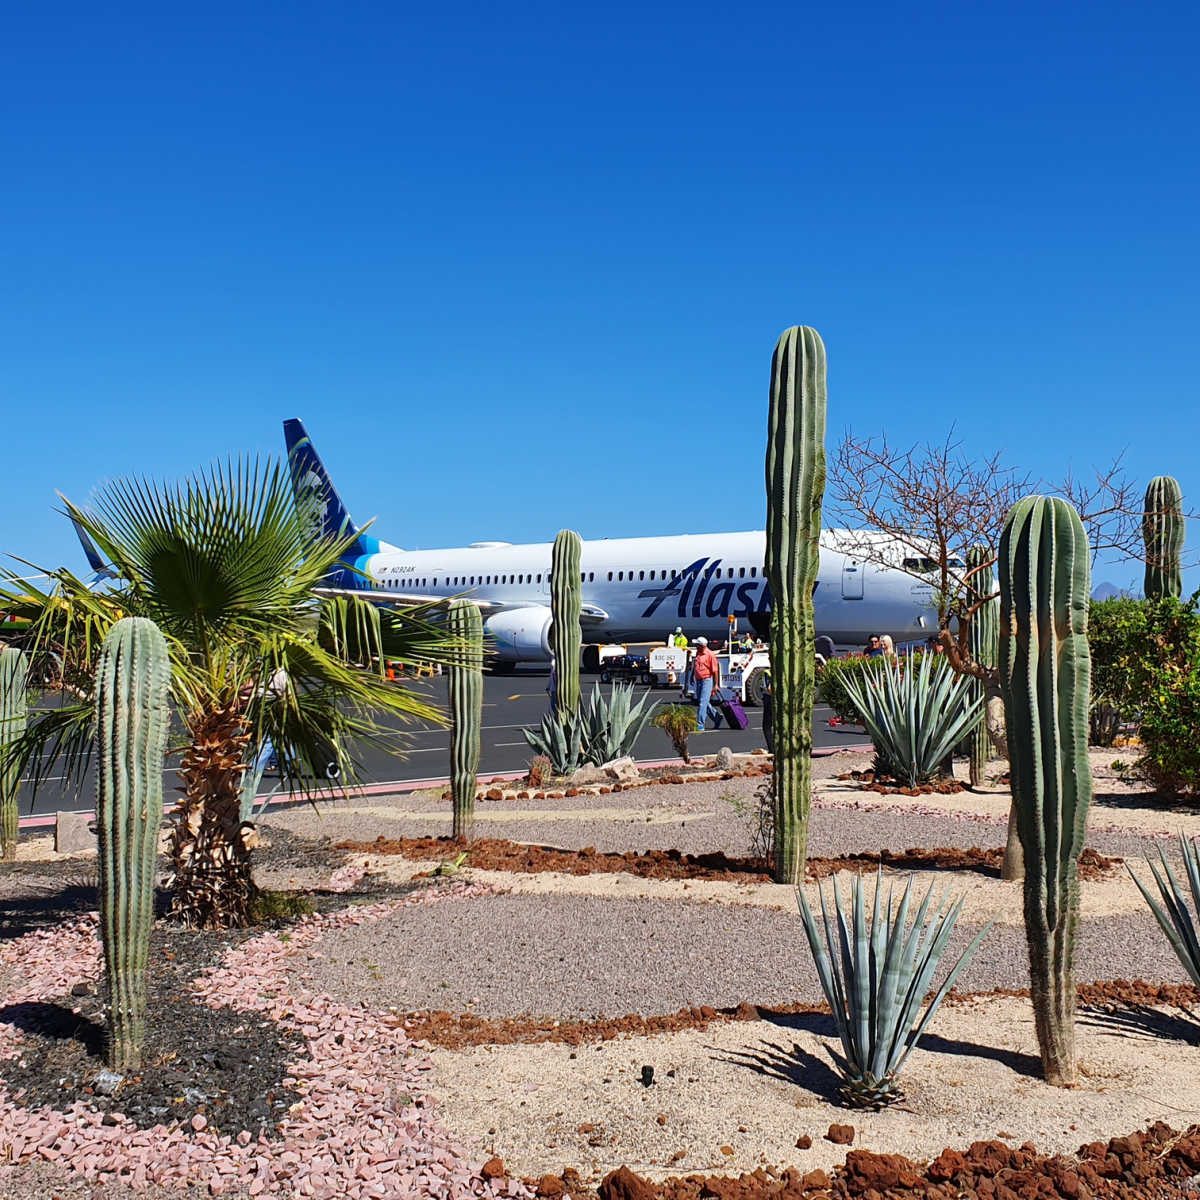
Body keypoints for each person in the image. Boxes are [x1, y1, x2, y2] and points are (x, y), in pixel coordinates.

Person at [691, 637, 721, 732]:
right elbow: (695, 666)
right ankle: (717, 718)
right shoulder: (698, 653)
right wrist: (692, 675)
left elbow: (715, 671)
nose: (695, 646)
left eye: (697, 645)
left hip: (707, 680)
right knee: (704, 702)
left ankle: (700, 723)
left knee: (702, 702)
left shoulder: (710, 655)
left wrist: (716, 684)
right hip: (698, 680)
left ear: (702, 646)